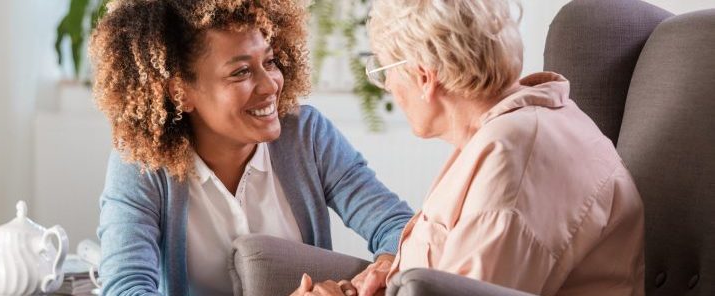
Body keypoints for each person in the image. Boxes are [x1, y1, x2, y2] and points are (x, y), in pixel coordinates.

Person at [295, 0, 644, 295]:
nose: (386, 84)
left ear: (423, 76)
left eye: (384, 68)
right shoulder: (513, 131)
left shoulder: (512, 159)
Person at [90, 0, 414, 295]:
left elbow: (398, 225)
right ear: (179, 92)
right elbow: (125, 287)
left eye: (270, 61)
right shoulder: (142, 164)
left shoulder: (307, 136)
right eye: (241, 71)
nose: (270, 84)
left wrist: (379, 272)